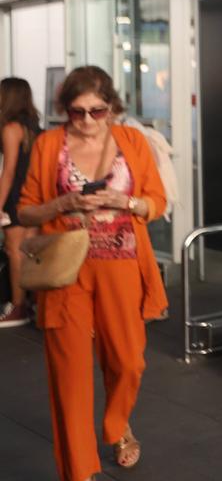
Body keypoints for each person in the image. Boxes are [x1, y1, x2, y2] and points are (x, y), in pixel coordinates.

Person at [18, 65, 167, 481]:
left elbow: (157, 201)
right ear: (65, 110)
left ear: (113, 107)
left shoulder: (133, 141)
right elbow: (25, 209)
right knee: (69, 377)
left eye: (97, 111)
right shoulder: (50, 144)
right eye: (76, 112)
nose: (86, 121)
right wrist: (63, 204)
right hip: (66, 269)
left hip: (123, 266)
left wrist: (128, 202)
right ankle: (78, 472)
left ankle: (117, 425)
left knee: (128, 361)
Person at [0, 77, 42, 327]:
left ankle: (18, 307)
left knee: (14, 250)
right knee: (31, 250)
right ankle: (34, 303)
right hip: (35, 193)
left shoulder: (10, 128)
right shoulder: (33, 126)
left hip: (17, 195)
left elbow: (9, 171)